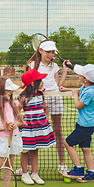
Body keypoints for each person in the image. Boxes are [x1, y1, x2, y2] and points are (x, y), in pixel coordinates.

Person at [26, 39, 71, 175]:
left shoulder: (54, 66)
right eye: (48, 52)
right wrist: (38, 89)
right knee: (33, 132)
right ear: (40, 50)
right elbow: (30, 83)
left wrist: (64, 71)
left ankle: (62, 164)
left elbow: (58, 85)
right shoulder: (32, 65)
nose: (50, 55)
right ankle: (28, 166)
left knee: (58, 131)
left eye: (52, 52)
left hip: (55, 99)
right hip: (39, 100)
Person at [60, 64, 94, 182]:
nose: (78, 75)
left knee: (68, 143)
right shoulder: (88, 87)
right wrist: (68, 89)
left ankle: (78, 169)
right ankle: (91, 173)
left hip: (85, 126)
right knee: (85, 148)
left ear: (86, 79)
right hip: (87, 125)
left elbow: (78, 105)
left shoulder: (89, 92)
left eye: (80, 75)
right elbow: (79, 90)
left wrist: (74, 95)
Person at [18, 69, 56, 185]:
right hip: (28, 127)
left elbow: (45, 108)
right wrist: (20, 122)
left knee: (35, 150)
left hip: (40, 126)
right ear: (34, 83)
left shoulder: (40, 95)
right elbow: (17, 111)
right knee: (24, 151)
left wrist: (46, 119)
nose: (42, 82)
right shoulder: (24, 97)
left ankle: (34, 173)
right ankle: (25, 174)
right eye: (40, 80)